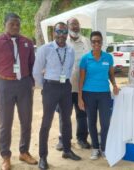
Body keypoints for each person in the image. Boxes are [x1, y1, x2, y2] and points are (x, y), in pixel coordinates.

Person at [0, 13, 37, 170]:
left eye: (18, 24)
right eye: (12, 24)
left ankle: (24, 152)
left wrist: (31, 82)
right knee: (5, 123)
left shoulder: (27, 42)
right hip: (4, 86)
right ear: (5, 24)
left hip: (24, 85)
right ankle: (5, 156)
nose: (16, 27)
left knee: (26, 121)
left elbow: (33, 64)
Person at [33, 22, 81, 170]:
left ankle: (67, 150)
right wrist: (44, 86)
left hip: (66, 87)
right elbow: (36, 71)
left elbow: (70, 67)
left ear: (67, 34)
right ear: (53, 33)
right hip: (50, 87)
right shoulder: (45, 49)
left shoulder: (71, 50)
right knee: (46, 122)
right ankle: (43, 156)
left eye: (64, 32)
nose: (61, 35)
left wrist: (64, 83)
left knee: (66, 120)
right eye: (58, 31)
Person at [78, 31, 119, 160]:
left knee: (105, 123)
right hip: (88, 93)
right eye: (94, 41)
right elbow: (81, 79)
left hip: (104, 94)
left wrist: (115, 85)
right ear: (91, 43)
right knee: (92, 121)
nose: (96, 43)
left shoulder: (108, 57)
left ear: (102, 43)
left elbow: (111, 74)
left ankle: (105, 148)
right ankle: (95, 148)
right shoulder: (85, 58)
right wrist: (80, 98)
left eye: (99, 41)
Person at [55, 17, 91, 151]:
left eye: (77, 24)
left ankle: (82, 139)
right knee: (64, 114)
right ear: (67, 26)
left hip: (83, 86)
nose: (75, 26)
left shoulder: (86, 41)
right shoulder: (62, 41)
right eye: (72, 24)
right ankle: (63, 140)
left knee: (82, 113)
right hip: (66, 86)